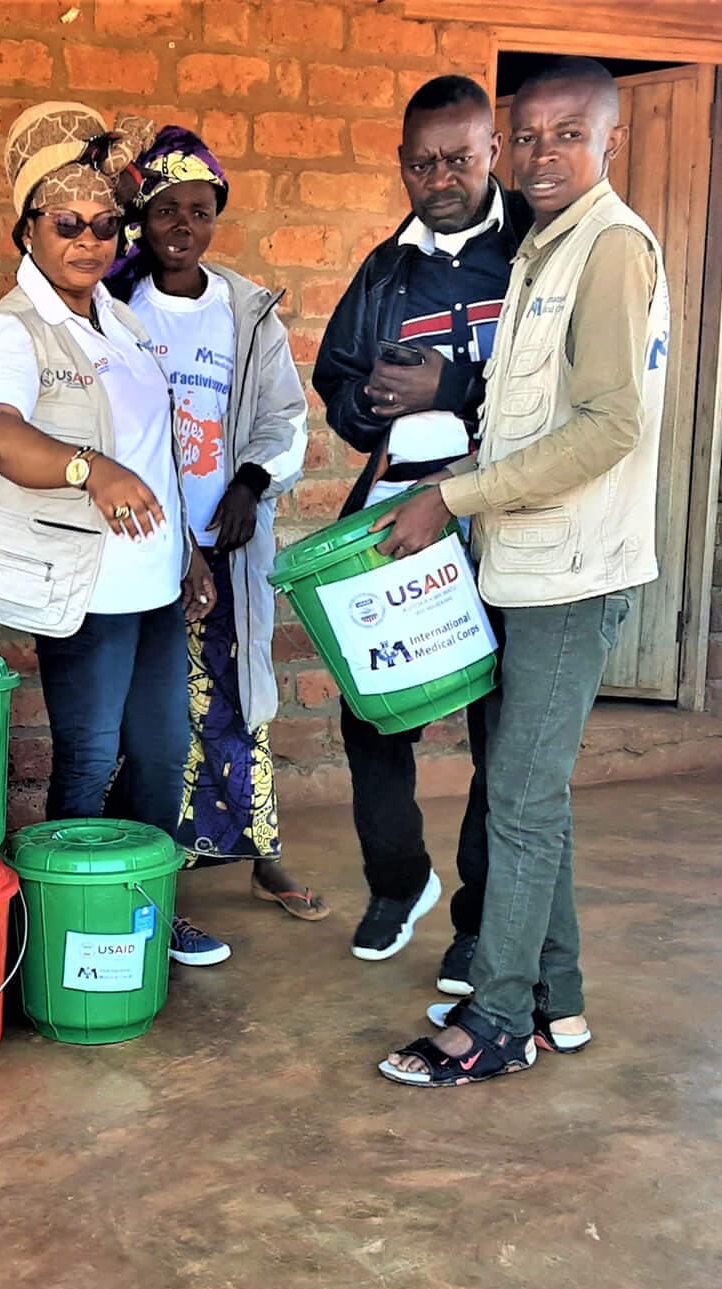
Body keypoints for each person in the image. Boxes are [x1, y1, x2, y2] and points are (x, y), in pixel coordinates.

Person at [371, 56, 668, 1086]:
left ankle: (495, 1021)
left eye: (565, 135)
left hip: (569, 573)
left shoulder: (609, 251)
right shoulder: (547, 248)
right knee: (527, 792)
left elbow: (606, 428)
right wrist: (454, 476)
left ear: (606, 143)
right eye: (529, 135)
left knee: (519, 799)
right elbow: (525, 421)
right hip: (523, 562)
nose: (544, 154)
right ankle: (559, 1002)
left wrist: (449, 498)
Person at [0, 101, 222, 968]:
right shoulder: (12, 331)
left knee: (163, 754)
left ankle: (150, 915)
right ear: (26, 230)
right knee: (91, 759)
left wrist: (188, 552)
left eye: (104, 224)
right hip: (84, 587)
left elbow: (152, 456)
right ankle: (70, 928)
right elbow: (0, 435)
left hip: (155, 583)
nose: (89, 240)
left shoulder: (118, 325)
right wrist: (93, 468)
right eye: (67, 224)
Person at [313, 75, 530, 993]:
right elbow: (336, 381)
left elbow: (567, 390)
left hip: (512, 518)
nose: (440, 176)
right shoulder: (383, 270)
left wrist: (457, 391)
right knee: (372, 711)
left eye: (459, 157)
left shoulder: (538, 248)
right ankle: (399, 882)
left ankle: (480, 927)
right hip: (400, 512)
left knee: (501, 732)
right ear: (403, 164)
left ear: (493, 152)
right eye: (421, 162)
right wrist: (366, 403)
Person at [109, 127, 321, 939]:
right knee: (155, 713)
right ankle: (159, 867)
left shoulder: (246, 311)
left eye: (200, 210)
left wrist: (249, 483)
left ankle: (262, 854)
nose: (183, 225)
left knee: (238, 700)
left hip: (229, 547)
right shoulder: (118, 307)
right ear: (144, 217)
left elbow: (286, 420)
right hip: (143, 545)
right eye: (167, 209)